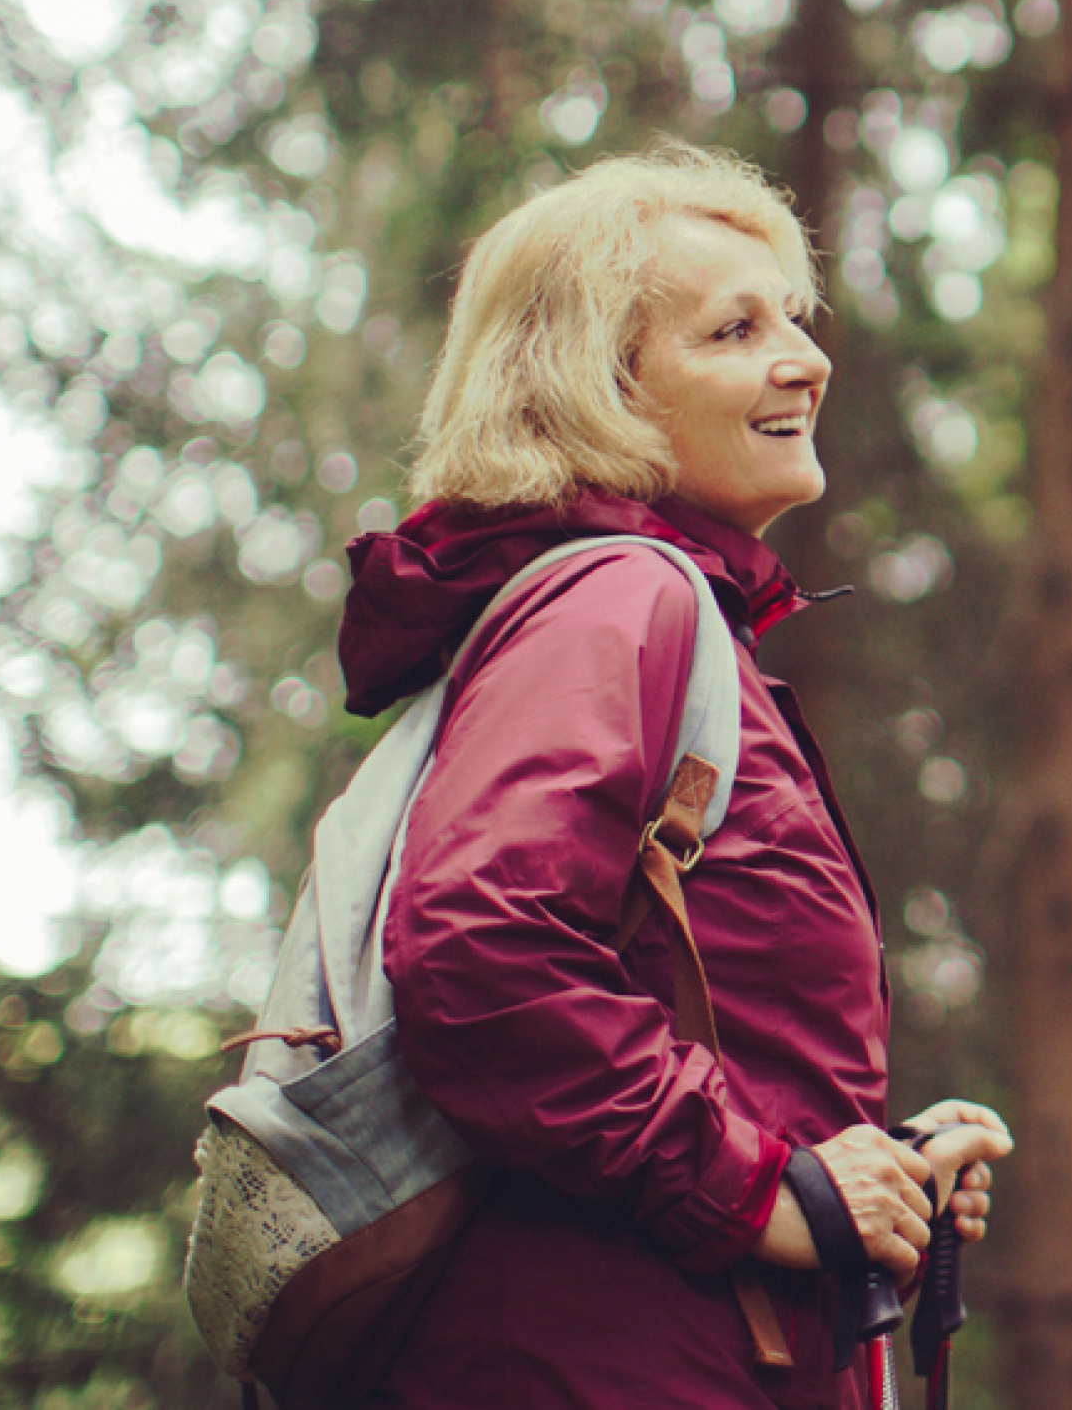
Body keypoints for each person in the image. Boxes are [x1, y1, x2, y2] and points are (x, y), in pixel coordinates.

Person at [335, 144, 1009, 1407]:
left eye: (795, 321)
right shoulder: (620, 598)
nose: (807, 361)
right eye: (733, 330)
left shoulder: (665, 620)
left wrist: (864, 1173)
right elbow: (480, 942)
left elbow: (680, 1030)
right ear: (598, 385)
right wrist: (761, 1184)